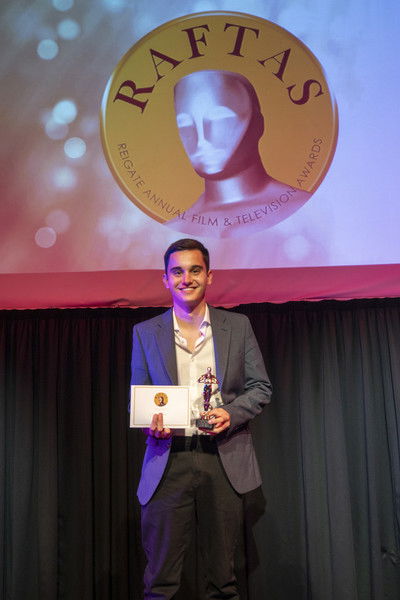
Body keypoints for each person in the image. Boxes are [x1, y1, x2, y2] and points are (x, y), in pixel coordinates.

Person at [131, 238, 272, 599]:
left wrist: (231, 413)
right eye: (177, 271)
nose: (186, 279)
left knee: (223, 582)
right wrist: (151, 422)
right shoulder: (145, 332)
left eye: (195, 270)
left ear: (209, 276)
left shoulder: (237, 326)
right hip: (168, 459)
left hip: (222, 457)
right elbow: (140, 396)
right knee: (160, 583)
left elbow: (260, 387)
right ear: (165, 279)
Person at [167, 70, 310, 236]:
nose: (201, 141)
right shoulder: (173, 229)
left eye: (219, 119)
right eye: (184, 125)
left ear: (257, 124)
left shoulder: (307, 210)